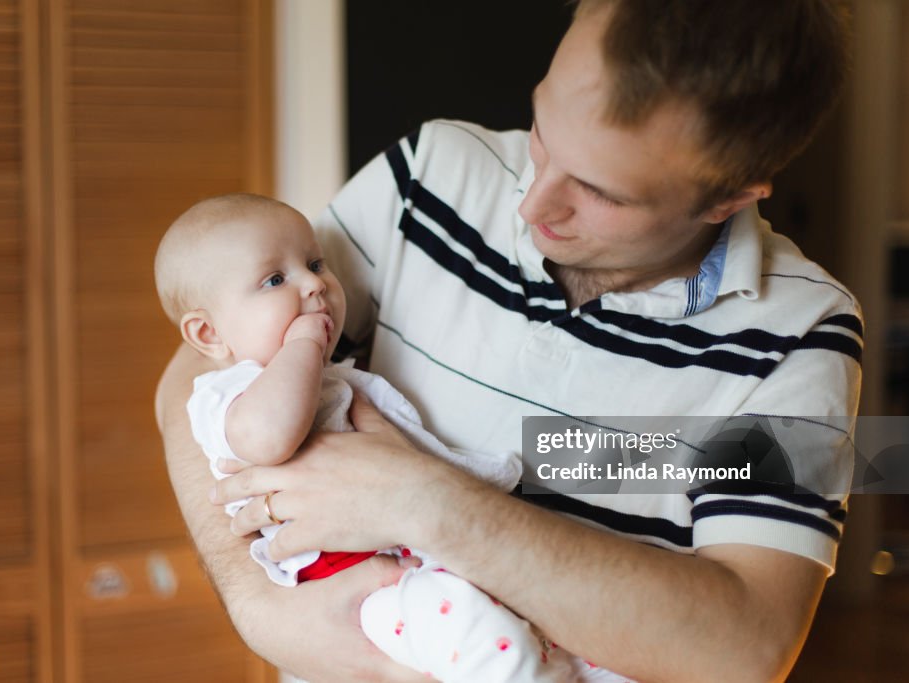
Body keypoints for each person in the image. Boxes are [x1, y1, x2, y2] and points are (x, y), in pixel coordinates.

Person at [155, 1, 861, 681]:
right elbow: (199, 370)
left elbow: (746, 645)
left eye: (600, 192)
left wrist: (428, 501)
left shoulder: (803, 334)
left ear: (728, 196)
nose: (531, 202)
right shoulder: (429, 176)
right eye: (542, 131)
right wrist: (258, 608)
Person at [154, 193, 596, 682]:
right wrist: (302, 345)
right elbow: (265, 440)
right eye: (275, 280)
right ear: (209, 335)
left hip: (422, 560)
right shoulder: (228, 391)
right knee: (485, 644)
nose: (314, 284)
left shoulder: (330, 379)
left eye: (315, 262)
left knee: (542, 643)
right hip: (359, 583)